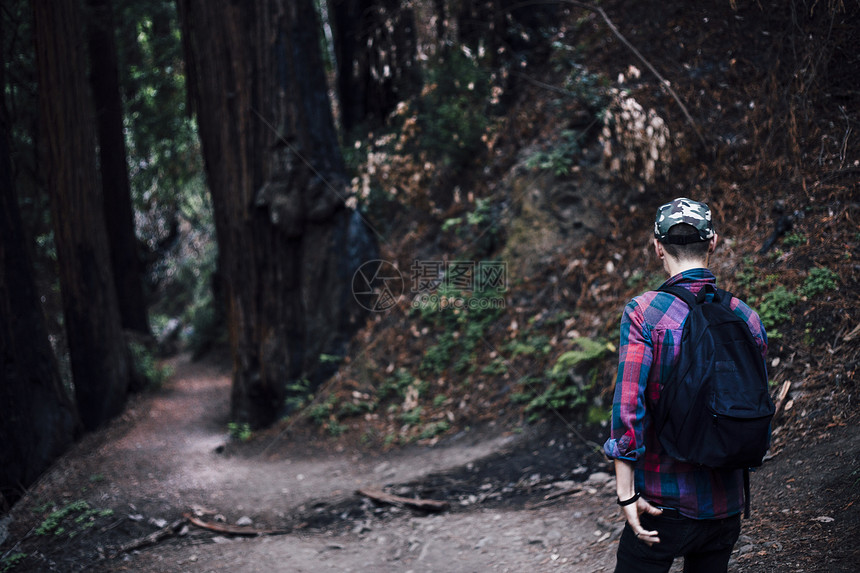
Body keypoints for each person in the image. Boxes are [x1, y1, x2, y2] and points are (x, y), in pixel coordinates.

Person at [603, 197, 768, 573]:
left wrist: (626, 495)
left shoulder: (645, 312)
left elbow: (627, 406)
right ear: (712, 242)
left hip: (662, 502)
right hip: (726, 507)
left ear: (658, 246)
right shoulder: (746, 316)